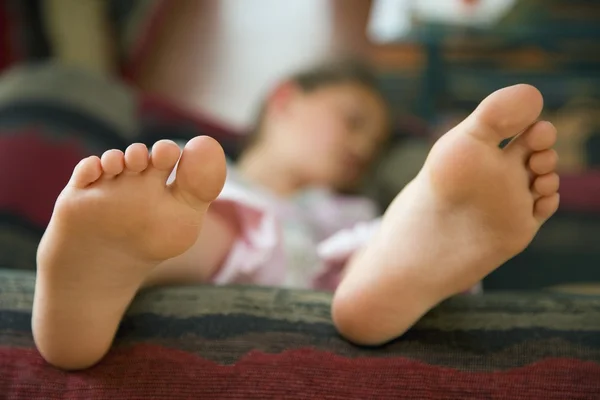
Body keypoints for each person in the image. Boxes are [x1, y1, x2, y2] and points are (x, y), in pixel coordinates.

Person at [32, 61, 560, 370]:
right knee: (203, 222)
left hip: (335, 269)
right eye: (351, 120)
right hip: (214, 240)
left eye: (373, 144)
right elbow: (198, 207)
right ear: (285, 100)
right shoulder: (191, 176)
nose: (360, 147)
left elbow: (357, 236)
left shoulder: (345, 207)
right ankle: (104, 271)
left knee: (377, 243)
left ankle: (396, 274)